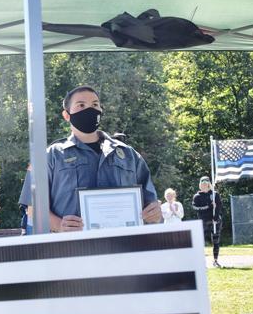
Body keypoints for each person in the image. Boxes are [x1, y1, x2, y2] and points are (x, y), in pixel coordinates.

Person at [26, 85, 161, 232]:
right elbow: (32, 208)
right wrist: (58, 225)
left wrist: (155, 213)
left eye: (95, 105)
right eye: (81, 105)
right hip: (72, 249)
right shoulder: (50, 156)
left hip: (123, 247)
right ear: (66, 115)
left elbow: (150, 202)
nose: (89, 110)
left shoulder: (129, 155)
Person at [192, 176, 223, 267]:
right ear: (200, 185)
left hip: (215, 221)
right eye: (203, 183)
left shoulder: (214, 194)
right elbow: (196, 208)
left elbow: (219, 207)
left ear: (209, 184)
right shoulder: (197, 196)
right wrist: (209, 206)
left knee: (216, 240)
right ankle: (201, 261)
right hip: (203, 221)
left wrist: (216, 217)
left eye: (206, 183)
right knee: (201, 241)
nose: (204, 185)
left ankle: (215, 260)